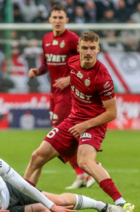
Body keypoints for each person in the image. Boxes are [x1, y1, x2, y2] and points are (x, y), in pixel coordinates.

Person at [24, 31, 135, 212]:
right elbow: (58, 66)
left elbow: (112, 113)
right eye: (85, 48)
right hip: (73, 120)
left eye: (92, 48)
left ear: (98, 49)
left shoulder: (103, 78)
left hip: (93, 124)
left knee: (84, 162)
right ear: (78, 49)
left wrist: (85, 126)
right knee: (37, 156)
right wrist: (42, 71)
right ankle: (20, 196)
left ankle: (122, 202)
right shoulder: (72, 62)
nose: (89, 52)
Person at [0, 145, 128, 212]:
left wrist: (52, 205)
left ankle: (104, 207)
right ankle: (50, 208)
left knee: (58, 201)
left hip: (10, 192)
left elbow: (25, 186)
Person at [28, 5, 98, 189]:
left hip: (69, 95)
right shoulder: (46, 39)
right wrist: (37, 71)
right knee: (62, 135)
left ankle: (91, 167)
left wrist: (69, 79)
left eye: (61, 17)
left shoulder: (73, 39)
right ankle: (83, 174)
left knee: (60, 135)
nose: (57, 20)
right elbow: (45, 63)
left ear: (66, 20)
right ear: (49, 20)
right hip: (54, 93)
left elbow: (88, 63)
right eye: (55, 17)